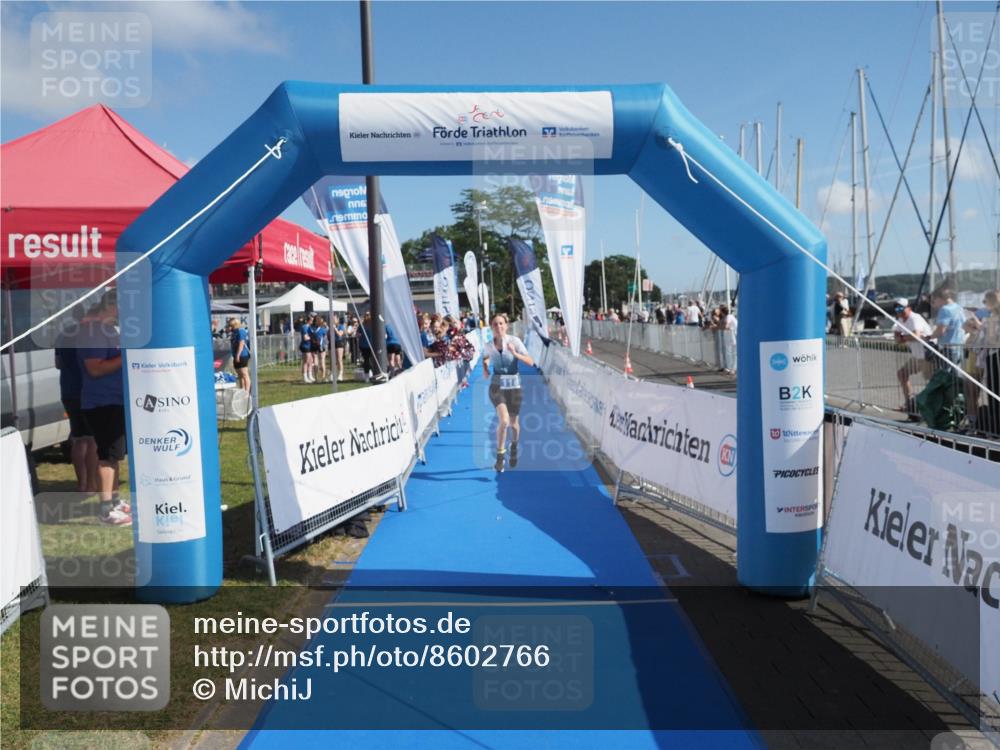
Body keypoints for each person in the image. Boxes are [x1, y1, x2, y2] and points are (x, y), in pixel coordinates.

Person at [77, 292, 129, 525]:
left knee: (114, 455)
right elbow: (95, 369)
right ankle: (106, 509)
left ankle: (114, 501)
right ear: (113, 305)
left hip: (113, 400)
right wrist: (126, 356)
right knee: (107, 456)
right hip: (102, 402)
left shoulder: (106, 330)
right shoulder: (93, 331)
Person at [482, 314, 534, 473]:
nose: (498, 327)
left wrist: (514, 353)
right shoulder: (488, 345)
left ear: (506, 325)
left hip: (514, 387)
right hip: (497, 386)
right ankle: (499, 458)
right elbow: (486, 358)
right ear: (492, 327)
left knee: (514, 425)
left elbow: (530, 362)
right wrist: (485, 367)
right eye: (495, 324)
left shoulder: (515, 342)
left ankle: (514, 446)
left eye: (501, 323)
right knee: (504, 421)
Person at [54, 307, 98, 495]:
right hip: (88, 391)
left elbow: (57, 364)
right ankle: (91, 486)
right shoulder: (92, 335)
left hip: (68, 390)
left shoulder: (63, 335)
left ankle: (82, 484)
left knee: (78, 439)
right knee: (92, 440)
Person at [892, 297, 933, 416]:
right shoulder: (900, 320)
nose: (899, 311)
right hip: (917, 355)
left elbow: (916, 335)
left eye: (901, 308)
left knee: (929, 382)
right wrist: (900, 337)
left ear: (908, 308)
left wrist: (903, 338)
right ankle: (909, 403)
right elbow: (896, 336)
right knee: (902, 373)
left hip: (927, 355)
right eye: (897, 308)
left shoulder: (915, 318)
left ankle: (928, 408)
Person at [929, 287, 966, 365]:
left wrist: (928, 337)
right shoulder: (959, 307)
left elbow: (941, 330)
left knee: (945, 375)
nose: (933, 304)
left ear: (939, 298)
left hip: (947, 349)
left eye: (933, 300)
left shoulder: (945, 310)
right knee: (956, 374)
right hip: (959, 346)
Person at [228, 318, 251, 392]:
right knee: (240, 375)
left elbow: (241, 343)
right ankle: (242, 390)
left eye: (231, 325)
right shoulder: (234, 332)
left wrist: (238, 354)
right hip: (235, 355)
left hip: (242, 355)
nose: (230, 327)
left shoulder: (241, 331)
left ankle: (247, 392)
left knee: (244, 374)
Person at [299, 314, 314, 383]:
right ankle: (305, 377)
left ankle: (310, 375)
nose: (312, 322)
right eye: (311, 320)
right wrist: (312, 338)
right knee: (306, 361)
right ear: (308, 320)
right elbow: (305, 338)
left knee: (310, 361)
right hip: (305, 346)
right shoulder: (305, 327)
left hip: (309, 346)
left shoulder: (310, 327)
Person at [313, 316, 329, 381]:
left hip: (317, 346)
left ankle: (318, 376)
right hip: (320, 346)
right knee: (320, 361)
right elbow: (325, 338)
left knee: (318, 361)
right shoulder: (323, 329)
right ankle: (321, 376)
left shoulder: (314, 329)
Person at [332, 314, 347, 381]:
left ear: (337, 319)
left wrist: (335, 328)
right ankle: (334, 373)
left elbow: (339, 334)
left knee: (339, 359)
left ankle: (340, 374)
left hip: (339, 343)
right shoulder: (331, 326)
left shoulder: (341, 326)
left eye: (334, 319)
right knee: (334, 360)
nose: (333, 320)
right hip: (333, 343)